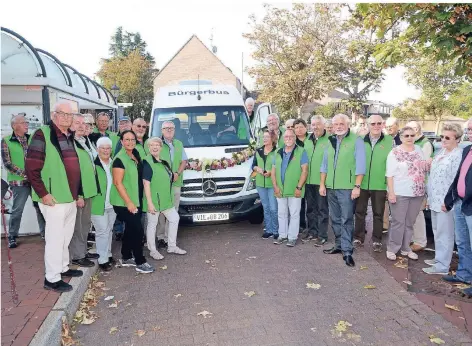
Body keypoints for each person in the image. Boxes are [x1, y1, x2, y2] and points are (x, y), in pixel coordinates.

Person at [25, 102, 83, 293]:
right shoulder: (42, 134)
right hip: (53, 198)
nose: (67, 117)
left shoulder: (68, 135)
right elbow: (31, 168)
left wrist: (78, 193)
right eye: (62, 114)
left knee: (65, 237)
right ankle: (51, 278)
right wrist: (43, 194)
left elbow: (75, 168)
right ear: (54, 115)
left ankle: (63, 267)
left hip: (69, 197)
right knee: (55, 239)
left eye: (70, 115)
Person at [320, 114, 366, 267]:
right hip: (331, 187)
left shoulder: (356, 140)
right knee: (335, 218)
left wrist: (357, 186)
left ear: (348, 125)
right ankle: (339, 245)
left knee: (346, 218)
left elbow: (360, 166)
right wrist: (322, 184)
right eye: (336, 124)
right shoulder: (330, 140)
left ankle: (347, 250)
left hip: (347, 188)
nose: (339, 126)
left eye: (342, 124)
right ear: (332, 126)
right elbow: (324, 165)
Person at [110, 130, 154, 273]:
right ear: (121, 142)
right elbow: (117, 183)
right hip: (123, 202)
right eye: (126, 140)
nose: (130, 142)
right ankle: (140, 261)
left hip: (136, 199)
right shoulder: (119, 159)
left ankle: (126, 256)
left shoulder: (135, 154)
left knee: (130, 228)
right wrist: (129, 202)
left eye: (132, 139)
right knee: (137, 230)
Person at [422, 123, 463, 275]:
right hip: (435, 199)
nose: (443, 140)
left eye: (447, 137)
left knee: (445, 234)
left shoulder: (457, 156)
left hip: (446, 201)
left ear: (457, 139)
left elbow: (455, 181)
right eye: (442, 137)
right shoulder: (441, 152)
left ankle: (442, 266)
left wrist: (448, 201)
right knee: (437, 231)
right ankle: (439, 258)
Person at [385, 126, 429, 261]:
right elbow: (389, 175)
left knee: (410, 222)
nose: (409, 138)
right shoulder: (395, 152)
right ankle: (392, 248)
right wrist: (391, 193)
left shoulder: (419, 150)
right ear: (401, 137)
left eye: (412, 135)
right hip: (400, 192)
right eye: (406, 136)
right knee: (398, 222)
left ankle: (405, 248)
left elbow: (423, 170)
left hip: (417, 193)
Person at [1, 114, 45, 247]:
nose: (27, 124)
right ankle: (12, 236)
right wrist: (25, 173)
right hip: (19, 182)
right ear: (15, 126)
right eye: (23, 122)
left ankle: (45, 233)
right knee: (17, 209)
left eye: (27, 122)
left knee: (40, 207)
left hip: (35, 181)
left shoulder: (31, 138)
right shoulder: (6, 140)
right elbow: (7, 163)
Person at [354, 115, 393, 253]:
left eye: (379, 123)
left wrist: (389, 186)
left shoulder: (390, 141)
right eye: (373, 123)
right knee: (360, 212)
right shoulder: (359, 140)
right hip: (362, 183)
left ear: (382, 125)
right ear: (368, 125)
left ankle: (377, 240)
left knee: (378, 213)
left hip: (380, 184)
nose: (376, 126)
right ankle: (358, 237)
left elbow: (392, 165)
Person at [143, 137, 186, 259]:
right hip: (154, 201)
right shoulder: (147, 162)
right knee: (152, 225)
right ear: (148, 148)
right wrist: (150, 203)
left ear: (161, 148)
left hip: (166, 201)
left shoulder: (164, 162)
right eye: (152, 145)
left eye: (157, 145)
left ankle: (172, 246)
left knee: (174, 218)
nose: (155, 147)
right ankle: (152, 250)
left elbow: (171, 178)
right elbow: (146, 184)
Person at [69, 114, 99, 267]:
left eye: (84, 123)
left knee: (86, 224)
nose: (81, 126)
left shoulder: (85, 140)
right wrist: (78, 194)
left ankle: (83, 251)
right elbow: (73, 171)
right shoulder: (71, 143)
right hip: (80, 192)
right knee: (78, 225)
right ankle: (77, 255)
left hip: (89, 190)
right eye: (77, 123)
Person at [271, 129, 309, 247]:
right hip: (280, 190)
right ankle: (282, 235)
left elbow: (305, 171)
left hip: (294, 190)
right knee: (281, 213)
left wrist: (299, 187)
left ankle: (292, 237)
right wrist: (275, 187)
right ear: (283, 138)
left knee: (294, 214)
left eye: (291, 137)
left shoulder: (301, 151)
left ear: (295, 138)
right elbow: (273, 172)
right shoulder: (277, 152)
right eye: (286, 137)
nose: (288, 139)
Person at [444, 140, 472, 295]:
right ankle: (464, 274)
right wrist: (451, 196)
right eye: (468, 129)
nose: (469, 131)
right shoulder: (467, 149)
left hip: (471, 204)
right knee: (462, 241)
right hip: (460, 202)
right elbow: (460, 175)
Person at [156, 121, 188, 249]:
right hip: (161, 184)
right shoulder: (157, 144)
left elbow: (184, 161)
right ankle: (160, 237)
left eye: (171, 128)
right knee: (162, 212)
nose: (169, 130)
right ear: (162, 130)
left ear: (174, 130)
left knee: (173, 211)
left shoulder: (178, 143)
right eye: (166, 128)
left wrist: (177, 173)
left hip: (175, 183)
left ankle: (170, 238)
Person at [405, 121, 434, 252]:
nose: (411, 133)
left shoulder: (425, 143)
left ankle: (420, 241)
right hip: (408, 183)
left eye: (413, 129)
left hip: (419, 183)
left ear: (418, 129)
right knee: (410, 213)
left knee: (418, 213)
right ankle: (411, 238)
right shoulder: (411, 142)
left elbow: (423, 165)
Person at [90, 137, 117, 271]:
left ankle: (108, 253)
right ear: (97, 149)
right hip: (97, 204)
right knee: (102, 231)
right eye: (103, 148)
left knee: (109, 230)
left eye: (108, 148)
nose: (106, 151)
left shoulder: (114, 163)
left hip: (112, 204)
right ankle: (102, 259)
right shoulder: (92, 164)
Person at [304, 115, 330, 246]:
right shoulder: (308, 140)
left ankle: (322, 235)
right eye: (313, 124)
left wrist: (323, 183)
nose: (315, 127)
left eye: (318, 124)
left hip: (321, 181)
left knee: (322, 210)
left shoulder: (330, 140)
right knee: (310, 209)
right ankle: (312, 232)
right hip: (308, 181)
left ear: (324, 125)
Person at [252, 129, 278, 239]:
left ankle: (276, 230)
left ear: (273, 138)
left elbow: (279, 166)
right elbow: (253, 165)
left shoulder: (277, 151)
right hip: (260, 184)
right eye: (264, 137)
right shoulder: (258, 151)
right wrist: (257, 169)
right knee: (266, 207)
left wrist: (271, 172)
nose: (265, 139)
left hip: (272, 184)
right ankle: (268, 229)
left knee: (273, 208)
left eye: (267, 137)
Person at [293, 119, 309, 231]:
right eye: (296, 127)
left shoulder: (312, 139)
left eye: (300, 127)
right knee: (300, 203)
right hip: (298, 177)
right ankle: (301, 225)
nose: (298, 129)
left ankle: (314, 227)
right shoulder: (292, 142)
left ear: (306, 127)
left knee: (313, 205)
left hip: (313, 176)